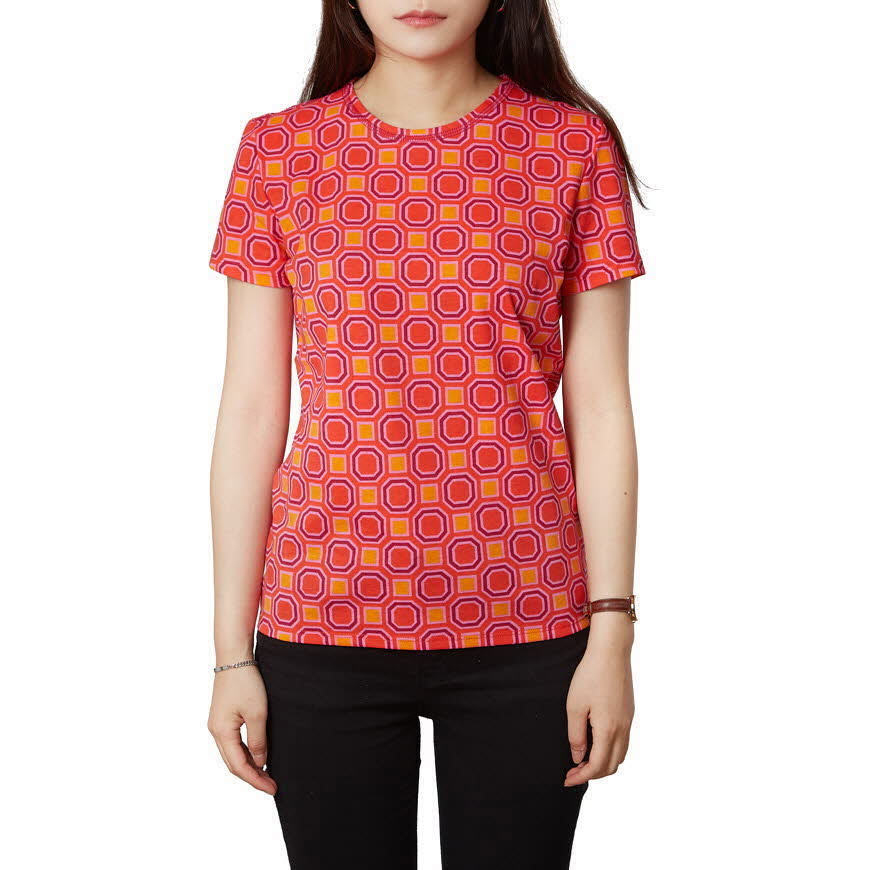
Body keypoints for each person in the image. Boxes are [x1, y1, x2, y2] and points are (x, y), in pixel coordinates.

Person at [206, 1, 647, 867]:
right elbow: (252, 408)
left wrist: (613, 631)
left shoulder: (570, 147)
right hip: (321, 615)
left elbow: (601, 408)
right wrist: (230, 655)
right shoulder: (279, 152)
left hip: (530, 618)